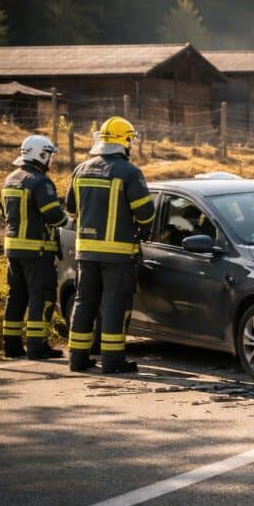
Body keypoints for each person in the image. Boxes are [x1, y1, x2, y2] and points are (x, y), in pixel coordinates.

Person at [66, 117, 155, 373]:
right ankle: (113, 361)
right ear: (125, 141)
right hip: (117, 255)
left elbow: (70, 208)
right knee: (115, 303)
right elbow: (145, 213)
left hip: (86, 252)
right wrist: (142, 228)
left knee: (85, 302)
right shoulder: (129, 172)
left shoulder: (80, 170)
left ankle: (77, 359)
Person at [0, 135, 67, 359]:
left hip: (13, 249)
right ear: (41, 154)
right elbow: (55, 217)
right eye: (49, 156)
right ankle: (38, 347)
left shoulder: (10, 179)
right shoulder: (40, 182)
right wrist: (69, 220)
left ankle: (11, 346)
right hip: (37, 251)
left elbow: (4, 213)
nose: (51, 161)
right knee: (42, 295)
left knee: (16, 295)